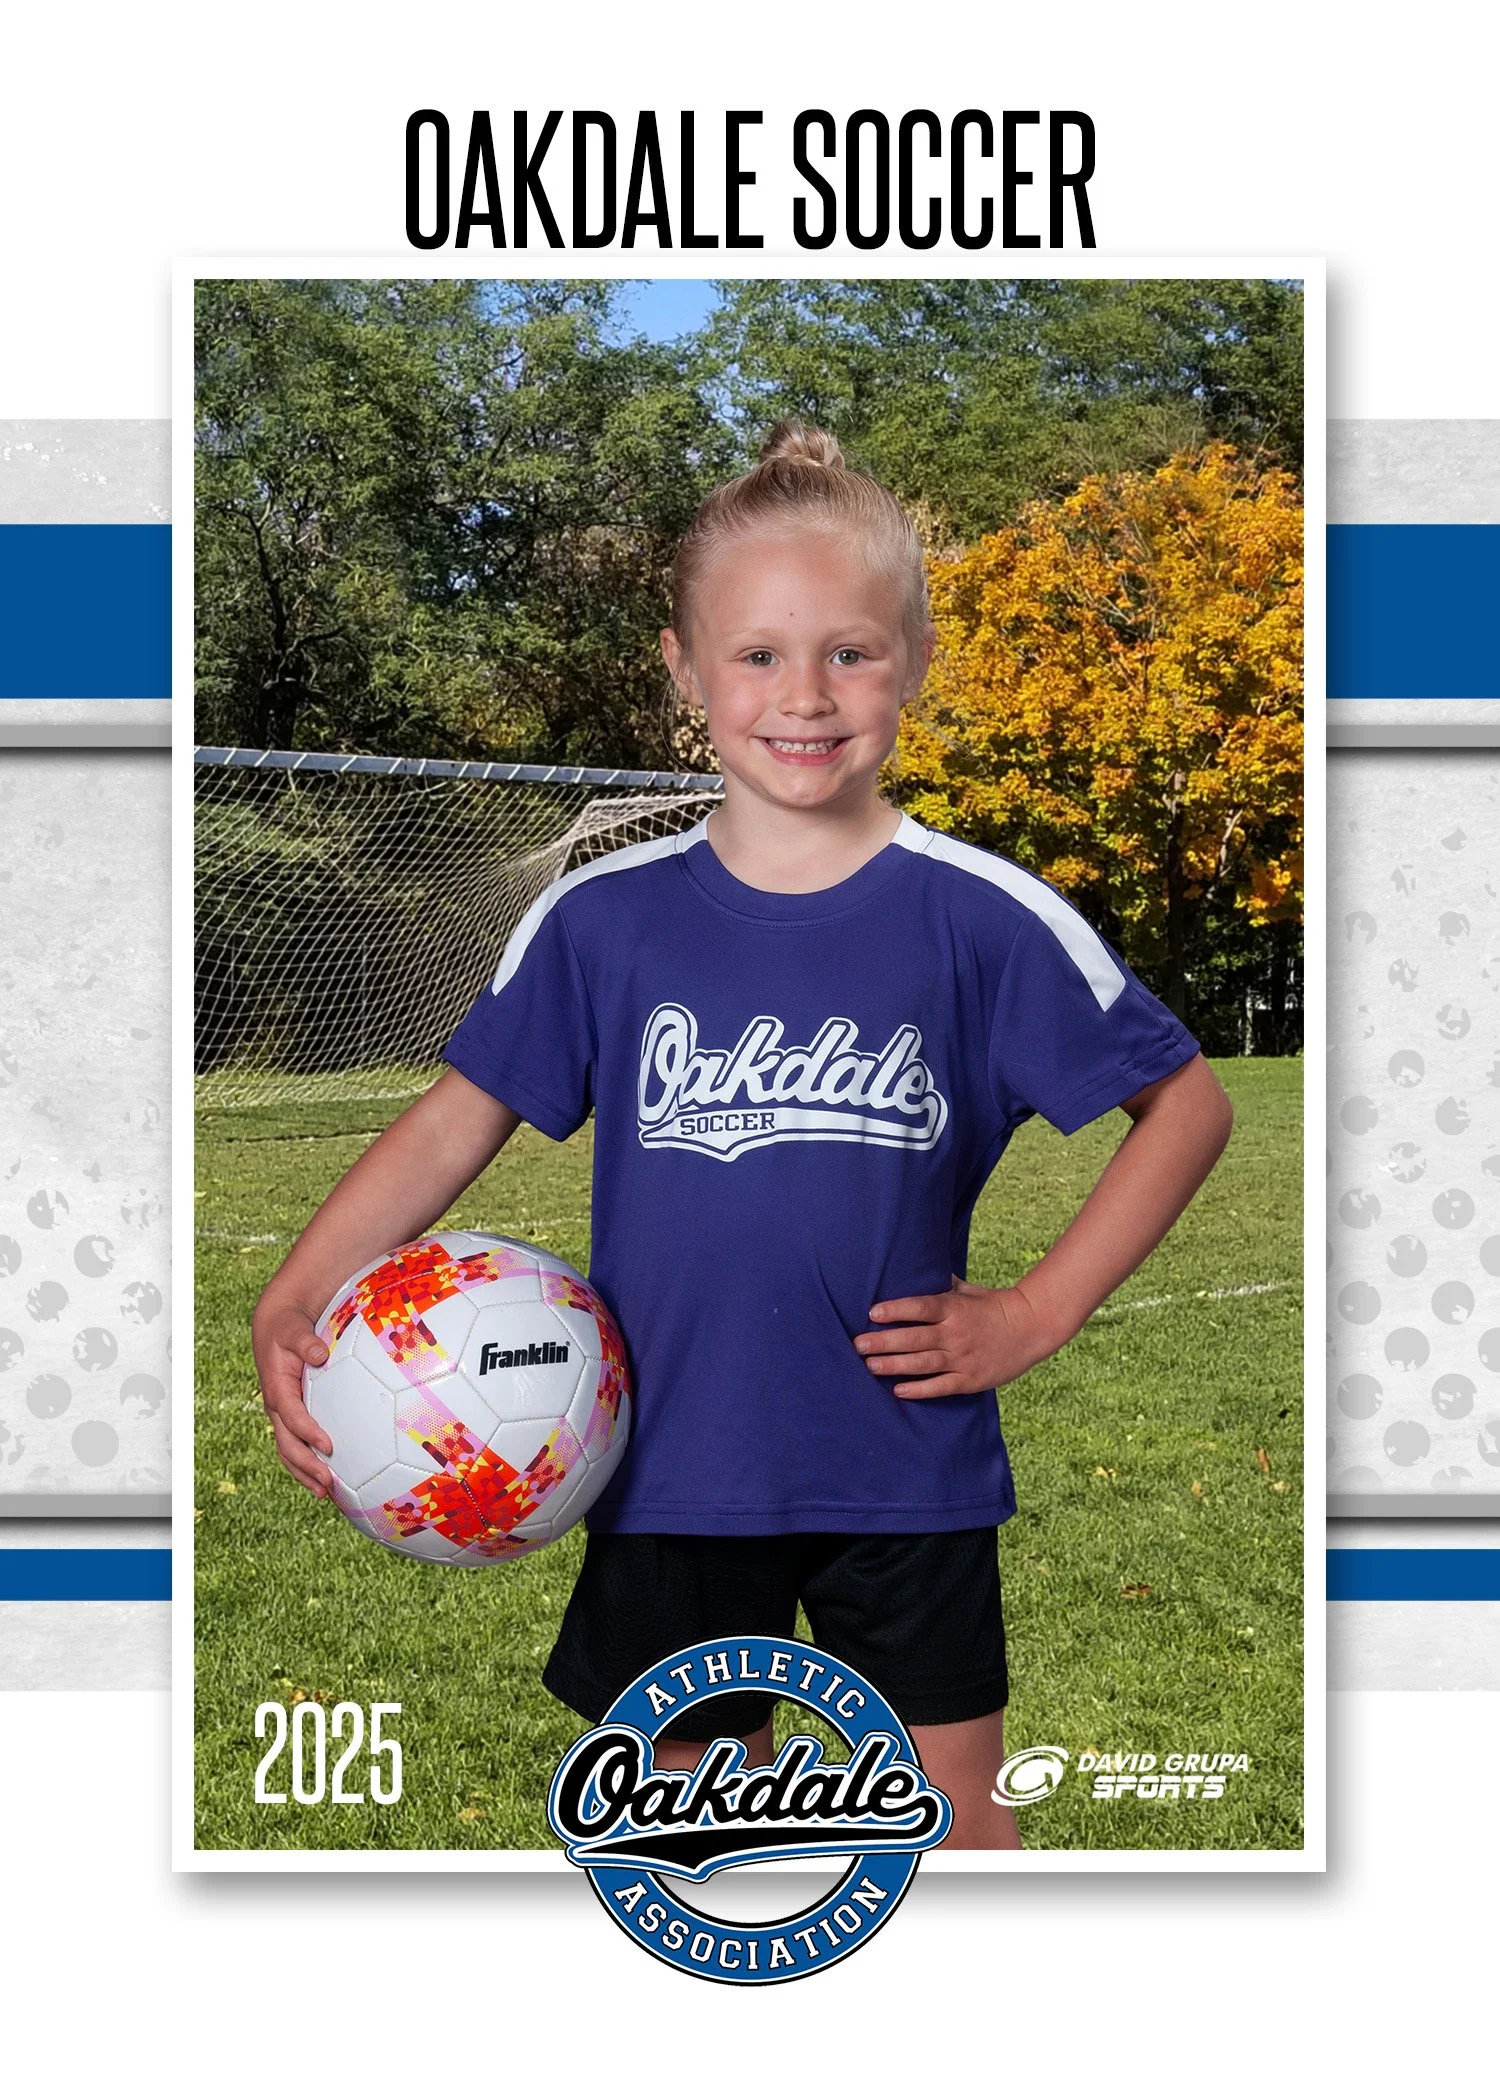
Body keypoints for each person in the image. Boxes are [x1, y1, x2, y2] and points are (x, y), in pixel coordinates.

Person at [253, 419, 1233, 1849]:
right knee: (685, 1842)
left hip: (902, 1464)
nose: (806, 695)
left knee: (955, 1828)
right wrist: (301, 1289)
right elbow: (451, 1121)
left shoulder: (979, 916)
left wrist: (1034, 1311)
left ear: (917, 656)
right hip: (664, 1462)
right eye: (759, 655)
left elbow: (1186, 1105)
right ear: (683, 671)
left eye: (852, 650)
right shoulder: (606, 920)